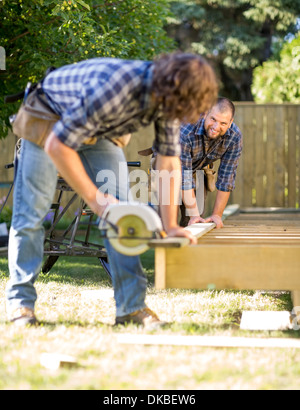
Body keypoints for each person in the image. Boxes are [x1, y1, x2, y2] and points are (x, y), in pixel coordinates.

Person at [6, 52, 218, 327]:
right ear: (171, 88)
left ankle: (131, 307)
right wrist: (95, 200)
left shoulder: (167, 101)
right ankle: (21, 304)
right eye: (186, 106)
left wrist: (171, 225)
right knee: (31, 212)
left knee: (123, 214)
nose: (186, 115)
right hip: (49, 117)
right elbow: (58, 144)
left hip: (98, 131)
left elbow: (168, 163)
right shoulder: (116, 88)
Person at [180, 97, 243, 228]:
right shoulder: (186, 131)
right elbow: (183, 177)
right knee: (165, 220)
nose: (216, 127)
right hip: (168, 167)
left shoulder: (234, 137)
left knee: (193, 224)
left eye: (223, 123)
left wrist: (217, 215)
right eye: (213, 119)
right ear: (206, 113)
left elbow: (226, 178)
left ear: (231, 123)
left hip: (197, 169)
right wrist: (194, 215)